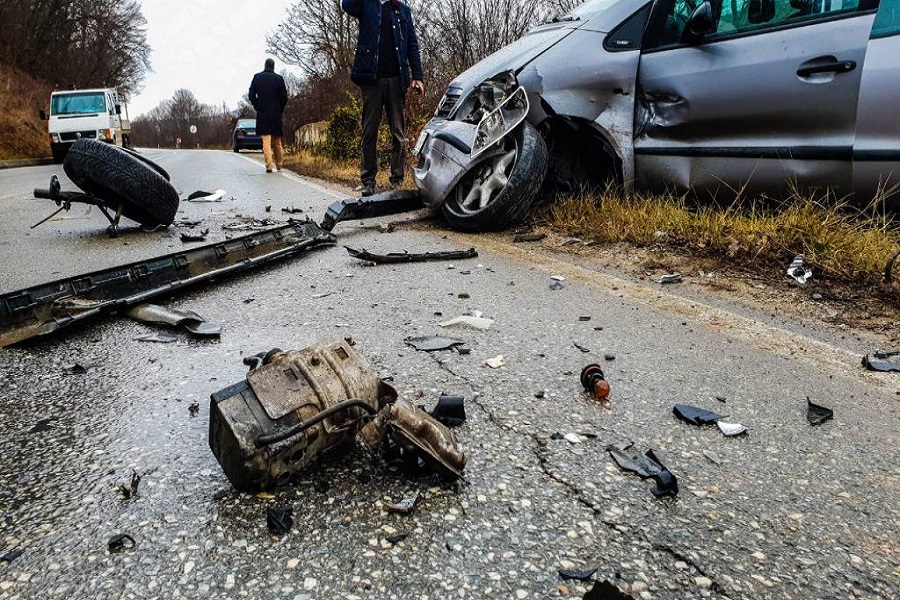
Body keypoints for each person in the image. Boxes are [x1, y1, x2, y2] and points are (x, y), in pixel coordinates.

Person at [342, 0, 425, 196]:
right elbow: (347, 4)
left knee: (398, 133)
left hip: (397, 80)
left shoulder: (402, 10)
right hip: (371, 79)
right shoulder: (366, 4)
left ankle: (397, 179)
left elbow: (412, 44)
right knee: (369, 131)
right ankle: (368, 180)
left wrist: (418, 76)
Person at [248, 58, 288, 173]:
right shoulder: (279, 79)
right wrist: (280, 109)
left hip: (263, 112)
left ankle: (269, 165)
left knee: (266, 140)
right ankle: (279, 164)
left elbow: (251, 95)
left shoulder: (257, 77)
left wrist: (257, 106)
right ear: (273, 66)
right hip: (276, 113)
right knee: (277, 141)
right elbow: (284, 97)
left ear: (264, 65)